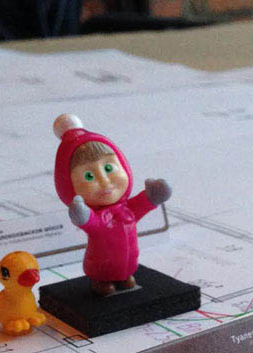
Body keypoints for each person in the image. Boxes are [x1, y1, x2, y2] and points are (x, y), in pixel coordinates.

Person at [52, 113, 171, 296]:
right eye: (89, 176)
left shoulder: (127, 209)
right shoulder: (100, 217)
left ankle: (124, 276)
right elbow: (92, 223)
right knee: (104, 276)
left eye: (108, 168)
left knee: (128, 277)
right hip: (101, 266)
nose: (105, 181)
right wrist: (82, 215)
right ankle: (101, 281)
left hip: (129, 260)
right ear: (69, 186)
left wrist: (152, 197)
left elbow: (139, 206)